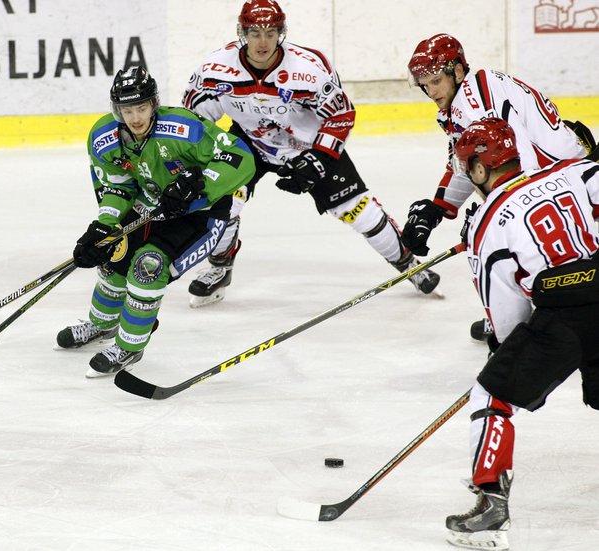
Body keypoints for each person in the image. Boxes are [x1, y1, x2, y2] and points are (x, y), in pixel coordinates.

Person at [181, 0, 440, 308]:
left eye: (270, 32)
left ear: (281, 32)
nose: (262, 41)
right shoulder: (215, 69)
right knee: (222, 199)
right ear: (242, 33)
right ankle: (220, 266)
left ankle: (406, 261)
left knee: (359, 211)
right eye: (254, 33)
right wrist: (197, 162)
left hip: (308, 145)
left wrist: (318, 158)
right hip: (249, 141)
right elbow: (194, 119)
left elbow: (341, 114)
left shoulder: (308, 68)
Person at [445, 118, 599, 551]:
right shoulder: (570, 171)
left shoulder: (488, 221)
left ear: (478, 168)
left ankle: (491, 510)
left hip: (562, 315)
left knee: (490, 397)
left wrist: (504, 351)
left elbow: (505, 304)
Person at [56, 65, 255, 377]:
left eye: (142, 108)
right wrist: (104, 226)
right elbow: (118, 186)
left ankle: (129, 346)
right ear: (115, 110)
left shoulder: (183, 128)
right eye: (126, 110)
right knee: (113, 258)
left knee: (147, 268)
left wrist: (200, 184)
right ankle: (101, 325)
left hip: (200, 215)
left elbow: (240, 157)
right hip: (150, 207)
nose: (135, 118)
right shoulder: (104, 137)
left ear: (154, 104)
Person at [402, 33, 595, 342]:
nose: (430, 90)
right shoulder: (467, 97)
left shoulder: (475, 103)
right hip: (566, 177)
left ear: (458, 71)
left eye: (435, 80)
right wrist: (438, 207)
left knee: (492, 235)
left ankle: (515, 320)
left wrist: (495, 210)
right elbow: (470, 163)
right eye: (424, 84)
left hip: (568, 182)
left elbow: (519, 162)